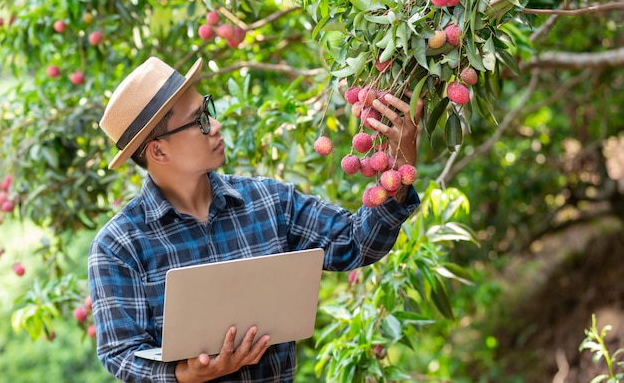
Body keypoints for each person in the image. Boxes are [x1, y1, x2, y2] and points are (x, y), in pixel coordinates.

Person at [88, 56, 422, 383]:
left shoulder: (269, 201)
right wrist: (185, 374)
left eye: (209, 110)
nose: (216, 126)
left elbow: (355, 243)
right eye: (200, 121)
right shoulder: (118, 246)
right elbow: (120, 353)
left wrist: (398, 163)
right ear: (159, 152)